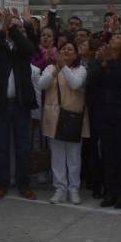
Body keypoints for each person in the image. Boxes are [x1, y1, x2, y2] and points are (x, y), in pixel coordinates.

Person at [0, 8, 39, 201]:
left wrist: (15, 29)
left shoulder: (22, 47)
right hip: (1, 104)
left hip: (21, 104)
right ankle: (3, 183)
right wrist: (1, 29)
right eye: (10, 24)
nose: (12, 27)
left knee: (23, 146)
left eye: (16, 24)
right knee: (2, 146)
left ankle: (24, 184)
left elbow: (30, 49)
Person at [87, 33, 121, 209]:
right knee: (108, 154)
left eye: (118, 38)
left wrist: (111, 63)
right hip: (105, 112)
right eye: (112, 38)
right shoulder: (102, 59)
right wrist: (100, 64)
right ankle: (110, 191)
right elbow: (91, 81)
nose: (113, 40)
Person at [39, 39, 88, 205]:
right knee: (58, 156)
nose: (66, 52)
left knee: (74, 156)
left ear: (76, 54)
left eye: (70, 50)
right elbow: (41, 84)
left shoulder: (81, 70)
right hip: (54, 117)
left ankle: (73, 189)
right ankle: (60, 188)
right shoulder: (50, 68)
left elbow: (75, 84)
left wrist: (64, 67)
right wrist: (55, 71)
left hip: (73, 117)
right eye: (63, 50)